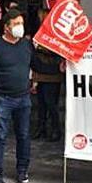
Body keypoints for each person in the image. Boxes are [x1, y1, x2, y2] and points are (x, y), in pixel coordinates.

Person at [0, 9, 34, 183]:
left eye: (21, 24)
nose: (19, 28)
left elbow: (35, 64)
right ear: (6, 27)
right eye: (16, 24)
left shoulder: (26, 45)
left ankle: (22, 170)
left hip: (24, 97)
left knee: (24, 135)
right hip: (1, 98)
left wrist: (59, 66)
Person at [31, 8, 65, 142]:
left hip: (53, 73)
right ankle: (41, 128)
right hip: (40, 72)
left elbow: (57, 50)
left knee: (51, 104)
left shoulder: (57, 33)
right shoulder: (39, 32)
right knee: (41, 104)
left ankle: (56, 129)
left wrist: (39, 47)